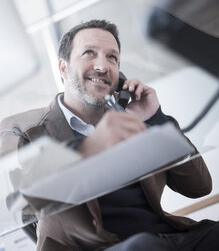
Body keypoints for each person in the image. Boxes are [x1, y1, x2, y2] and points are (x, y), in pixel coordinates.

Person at [0, 20, 218, 251]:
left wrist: (154, 118)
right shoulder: (22, 127)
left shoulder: (129, 120)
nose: (102, 66)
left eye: (112, 57)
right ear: (63, 68)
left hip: (165, 238)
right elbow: (16, 208)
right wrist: (89, 147)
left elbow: (199, 187)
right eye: (89, 53)